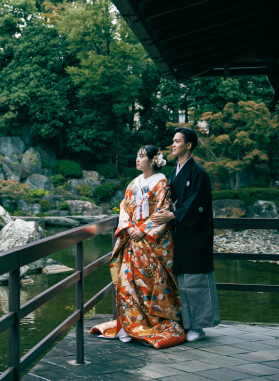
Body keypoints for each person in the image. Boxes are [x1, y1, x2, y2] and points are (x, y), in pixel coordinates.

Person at [89, 145, 186, 349]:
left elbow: (164, 211)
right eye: (137, 156)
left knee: (148, 286)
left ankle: (147, 325)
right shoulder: (134, 183)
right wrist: (130, 227)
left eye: (141, 156)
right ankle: (127, 326)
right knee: (126, 285)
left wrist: (143, 229)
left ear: (152, 160)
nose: (137, 159)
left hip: (150, 243)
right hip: (132, 242)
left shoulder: (161, 182)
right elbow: (124, 208)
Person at [152, 128, 220, 342]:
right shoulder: (176, 171)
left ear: (188, 145)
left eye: (177, 141)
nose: (173, 145)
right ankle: (187, 323)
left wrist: (173, 214)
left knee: (195, 280)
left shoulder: (199, 173)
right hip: (180, 232)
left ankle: (198, 327)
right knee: (182, 281)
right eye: (172, 141)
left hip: (195, 234)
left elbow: (197, 206)